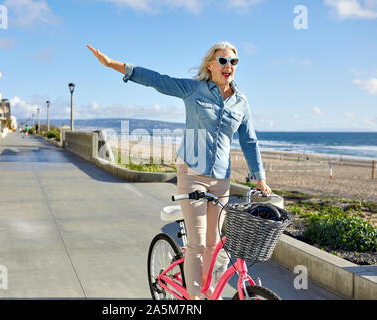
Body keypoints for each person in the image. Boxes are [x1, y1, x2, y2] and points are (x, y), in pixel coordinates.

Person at [88, 42, 272, 300]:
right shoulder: (193, 89)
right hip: (192, 173)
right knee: (196, 243)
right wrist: (113, 65)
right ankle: (194, 298)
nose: (228, 66)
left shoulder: (241, 103)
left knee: (214, 245)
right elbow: (157, 80)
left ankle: (209, 291)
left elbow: (249, 141)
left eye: (233, 62)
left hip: (221, 179)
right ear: (210, 65)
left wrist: (260, 179)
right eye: (223, 61)